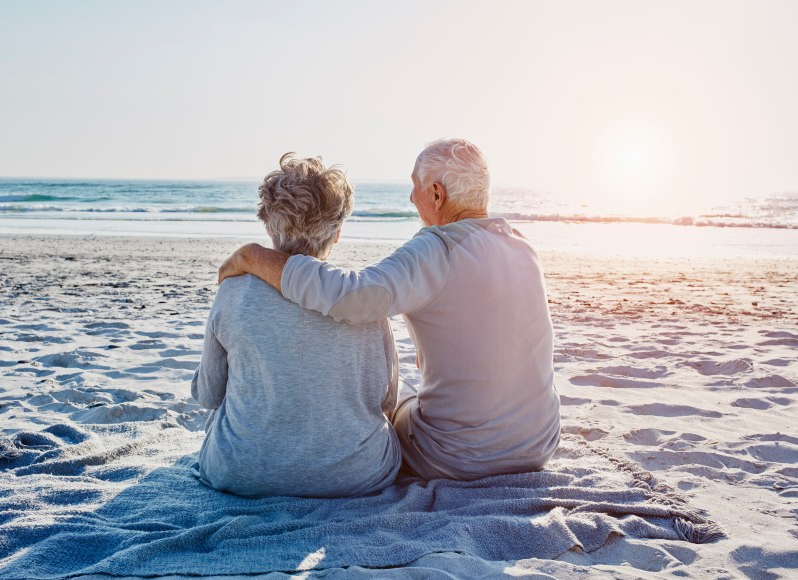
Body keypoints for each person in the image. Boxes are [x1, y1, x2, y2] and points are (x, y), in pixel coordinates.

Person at [218, 139, 560, 481]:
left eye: (416, 187)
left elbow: (352, 298)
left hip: (459, 458)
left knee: (397, 403)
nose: (412, 198)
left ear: (437, 195)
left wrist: (253, 256)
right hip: (538, 446)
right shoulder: (523, 247)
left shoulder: (436, 249)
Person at [192, 153, 401, 497]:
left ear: (268, 225)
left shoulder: (233, 291)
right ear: (337, 234)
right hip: (357, 475)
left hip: (241, 472)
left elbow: (209, 394)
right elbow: (387, 398)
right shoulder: (361, 296)